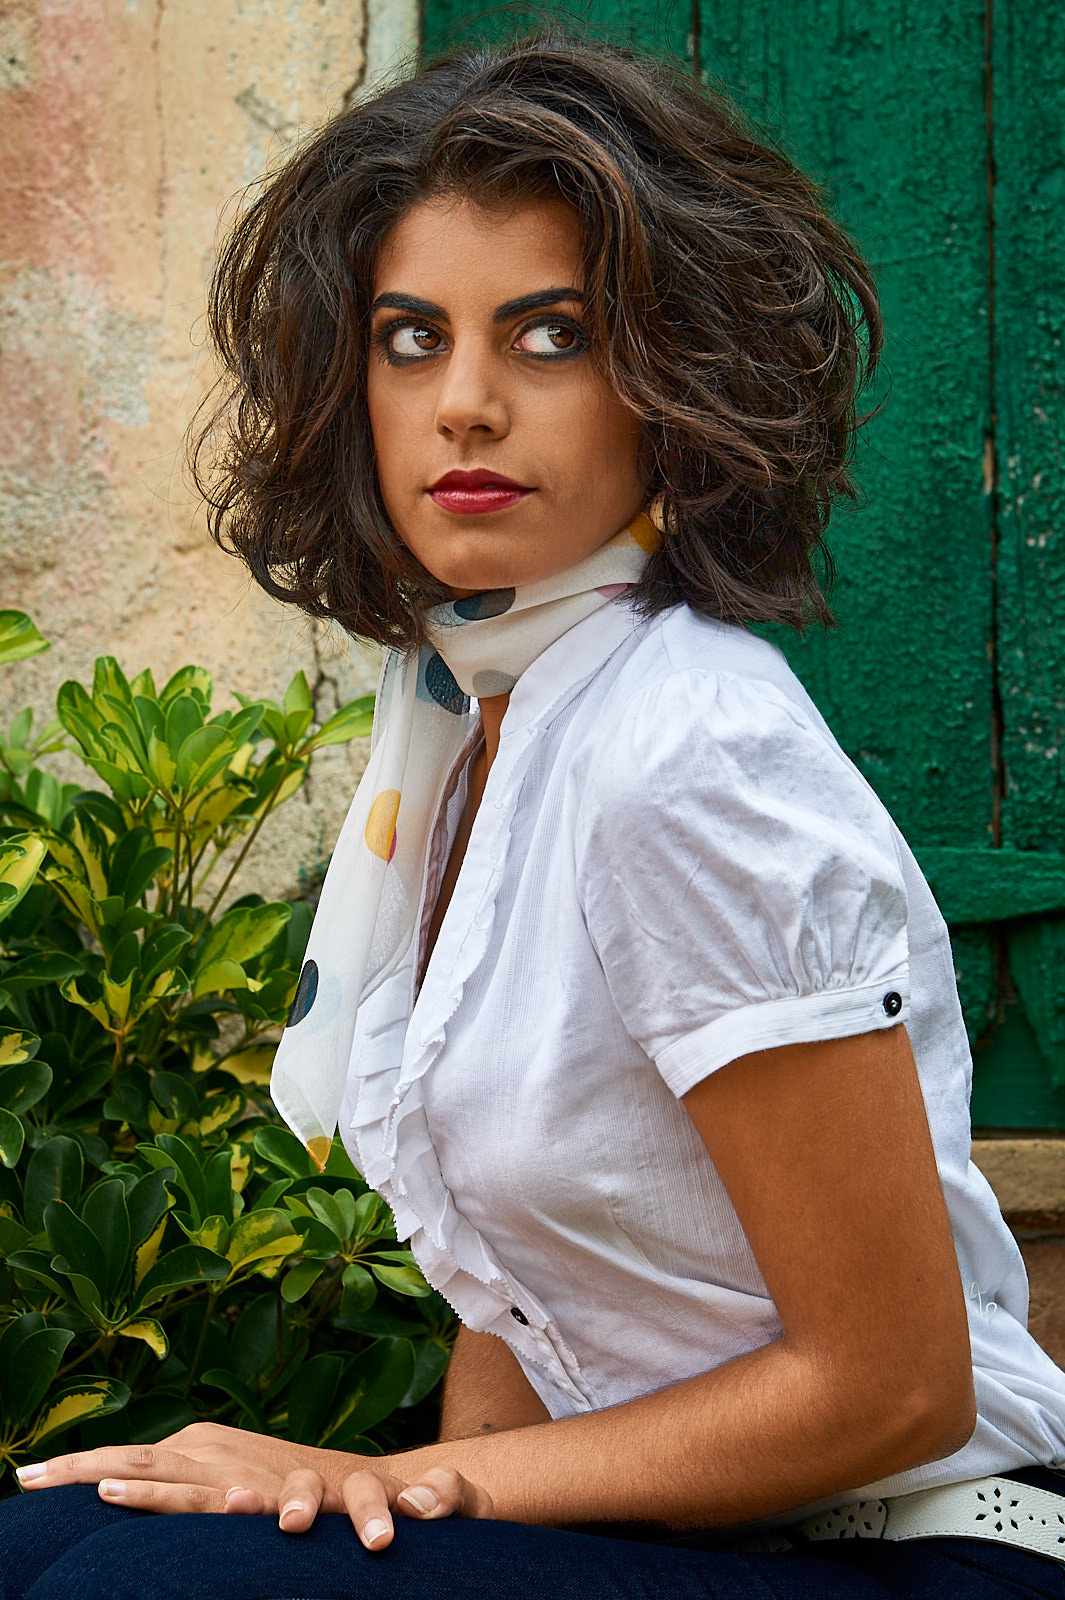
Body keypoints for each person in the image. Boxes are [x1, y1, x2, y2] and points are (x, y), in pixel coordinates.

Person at [4, 30, 1065, 1600]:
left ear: (672, 381)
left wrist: (392, 1488)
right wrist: (417, 1521)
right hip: (687, 1537)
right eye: (410, 339)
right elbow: (522, 1295)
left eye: (551, 336)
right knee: (41, 1540)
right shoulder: (470, 729)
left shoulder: (682, 746)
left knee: (137, 1593)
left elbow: (895, 1389)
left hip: (918, 1550)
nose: (466, 405)